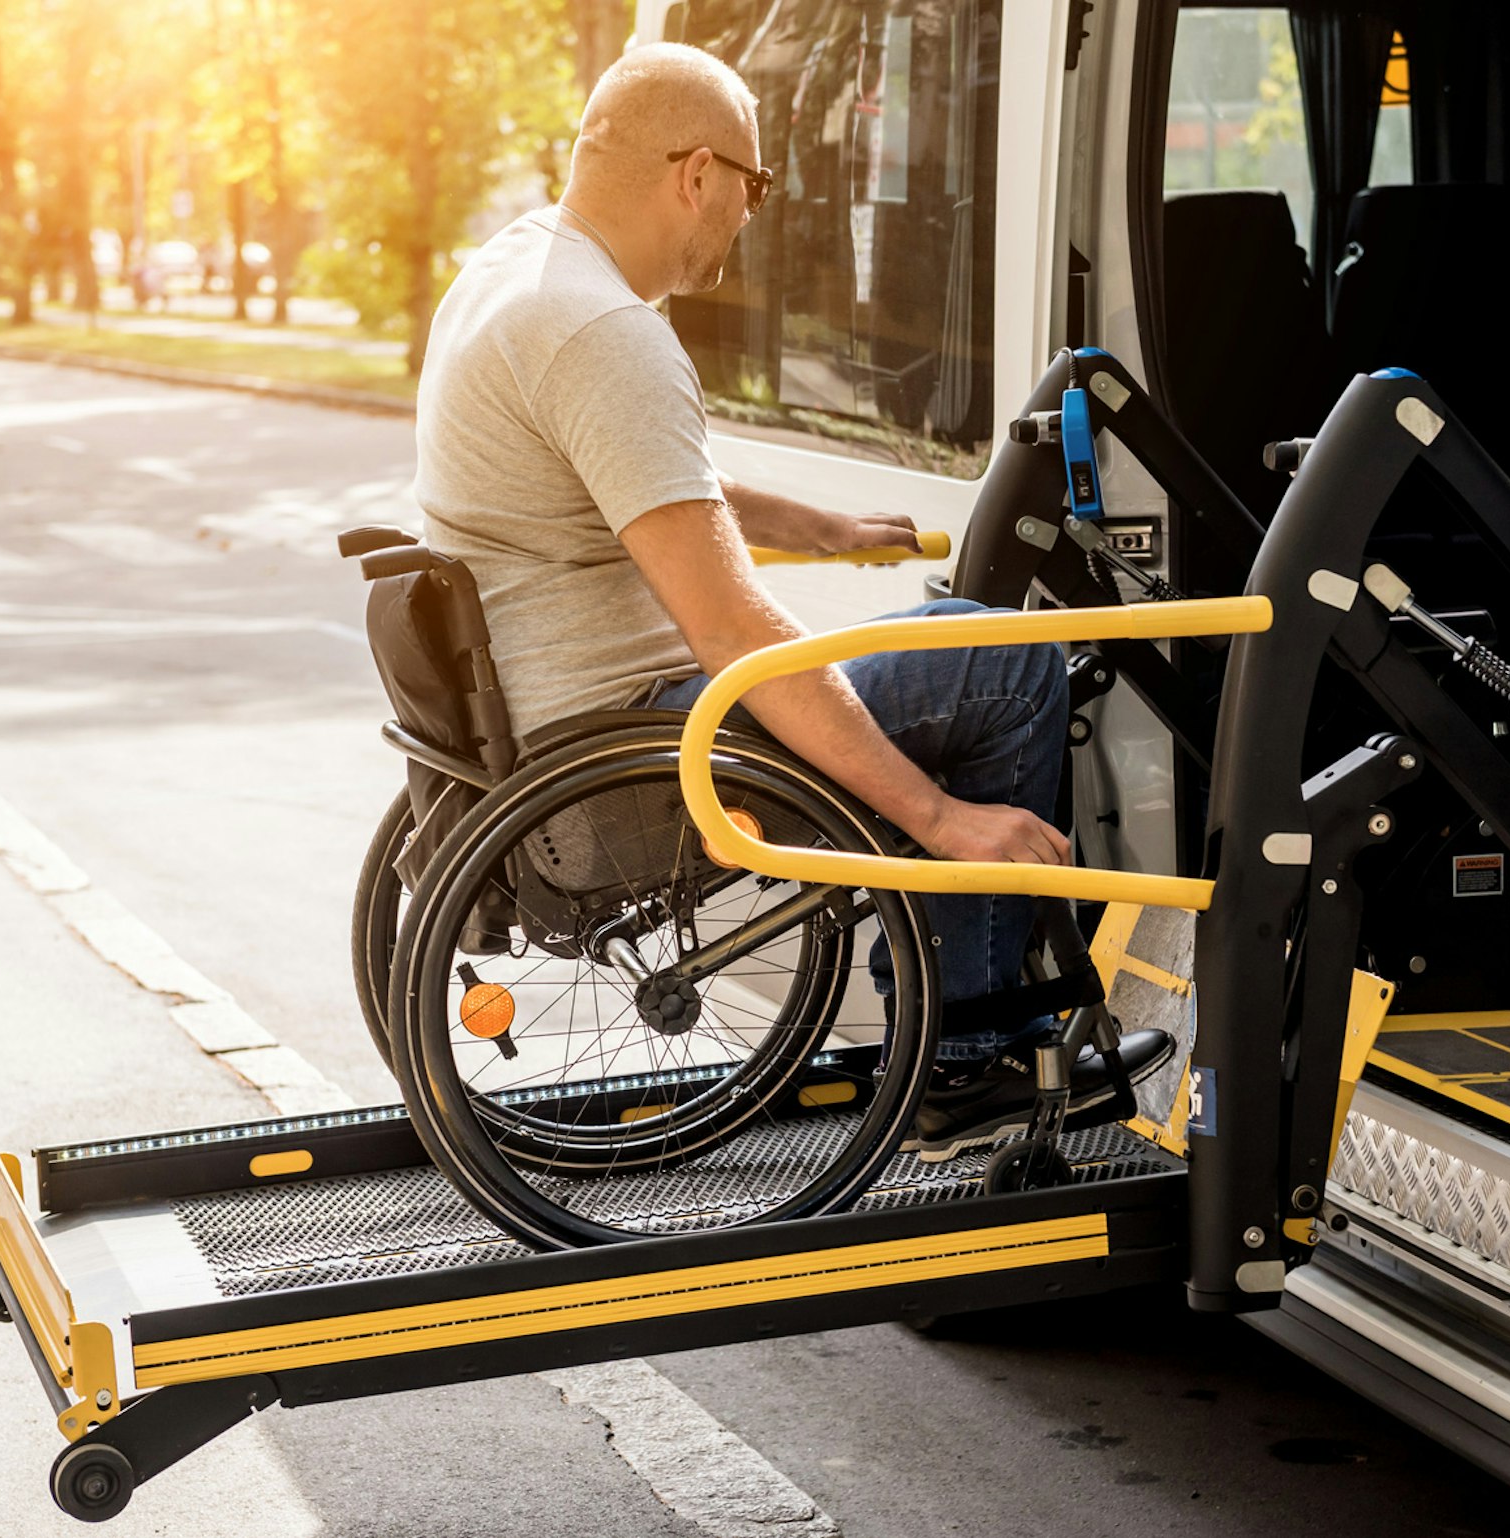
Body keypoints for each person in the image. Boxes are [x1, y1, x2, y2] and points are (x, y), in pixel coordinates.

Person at [411, 41, 1162, 1153]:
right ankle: (963, 1052)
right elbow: (734, 633)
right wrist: (944, 819)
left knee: (954, 634)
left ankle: (950, 979)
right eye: (756, 187)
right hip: (635, 763)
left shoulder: (516, 273)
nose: (753, 215)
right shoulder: (605, 333)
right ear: (696, 173)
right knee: (1012, 662)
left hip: (554, 744)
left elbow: (642, 477)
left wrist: (818, 528)